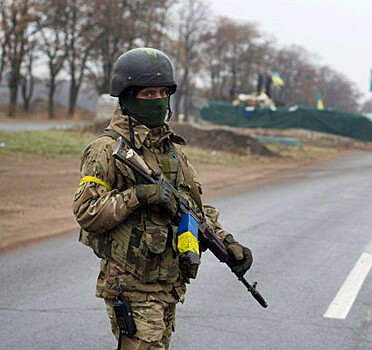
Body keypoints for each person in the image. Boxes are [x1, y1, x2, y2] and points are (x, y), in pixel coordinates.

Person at [73, 47, 253, 349]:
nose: (157, 100)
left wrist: (227, 242)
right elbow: (87, 211)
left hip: (168, 283)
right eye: (147, 94)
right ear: (127, 97)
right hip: (131, 283)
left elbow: (193, 210)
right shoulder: (106, 149)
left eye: (161, 92)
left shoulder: (171, 150)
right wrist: (141, 195)